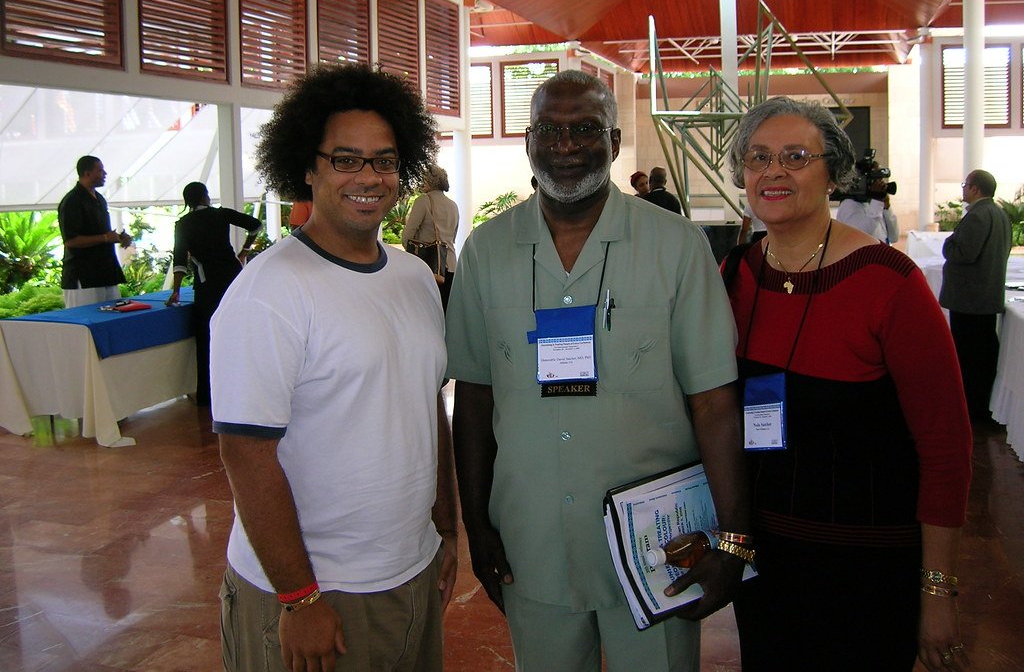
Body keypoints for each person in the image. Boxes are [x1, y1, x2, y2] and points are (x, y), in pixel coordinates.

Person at [446, 69, 750, 672]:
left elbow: (714, 402)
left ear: (613, 141)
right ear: (528, 142)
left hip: (659, 548)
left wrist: (735, 539)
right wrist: (477, 527)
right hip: (532, 542)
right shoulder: (486, 250)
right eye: (548, 131)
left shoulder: (676, 246)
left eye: (584, 128)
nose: (565, 145)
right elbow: (475, 399)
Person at [210, 63, 457, 672]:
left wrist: (446, 530)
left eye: (384, 161)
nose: (367, 177)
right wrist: (300, 596)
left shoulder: (413, 277)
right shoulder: (270, 292)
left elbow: (427, 406)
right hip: (314, 591)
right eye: (346, 159)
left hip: (409, 570)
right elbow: (245, 453)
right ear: (308, 167)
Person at [722, 96, 972, 671]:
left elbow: (946, 448)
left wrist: (937, 589)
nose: (774, 171)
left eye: (796, 156)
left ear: (833, 173)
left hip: (866, 570)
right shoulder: (735, 275)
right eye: (758, 157)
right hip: (763, 564)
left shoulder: (890, 283)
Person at [166, 182, 261, 411]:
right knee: (238, 331)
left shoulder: (183, 224)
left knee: (207, 337)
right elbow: (256, 225)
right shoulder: (221, 214)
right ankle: (244, 385)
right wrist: (244, 250)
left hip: (207, 284)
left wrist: (176, 290)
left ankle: (208, 394)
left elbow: (179, 261)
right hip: (233, 279)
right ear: (205, 197)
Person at [939, 169, 1012, 423]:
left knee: (969, 357)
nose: (963, 189)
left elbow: (963, 253)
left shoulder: (978, 215)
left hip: (969, 299)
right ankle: (979, 407)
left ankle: (971, 409)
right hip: (985, 296)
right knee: (983, 355)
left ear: (975, 188)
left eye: (965, 184)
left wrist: (948, 243)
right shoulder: (999, 214)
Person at [57, 155, 132, 308]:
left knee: (112, 317)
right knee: (86, 318)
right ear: (87, 173)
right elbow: (71, 241)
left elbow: (100, 232)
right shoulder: (72, 201)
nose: (105, 174)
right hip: (84, 277)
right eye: (100, 170)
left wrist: (118, 237)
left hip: (106, 273)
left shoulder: (100, 199)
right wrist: (105, 238)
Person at [401, 163, 460, 310]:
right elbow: (453, 237)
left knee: (426, 311)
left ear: (428, 181)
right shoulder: (453, 205)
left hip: (429, 266)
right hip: (451, 265)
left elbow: (408, 236)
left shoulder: (423, 200)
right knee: (445, 311)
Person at [835, 161, 900, 244]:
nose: (880, 182)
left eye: (881, 178)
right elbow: (861, 234)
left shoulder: (873, 203)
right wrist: (877, 200)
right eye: (876, 179)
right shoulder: (848, 204)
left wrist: (887, 208)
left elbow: (894, 237)